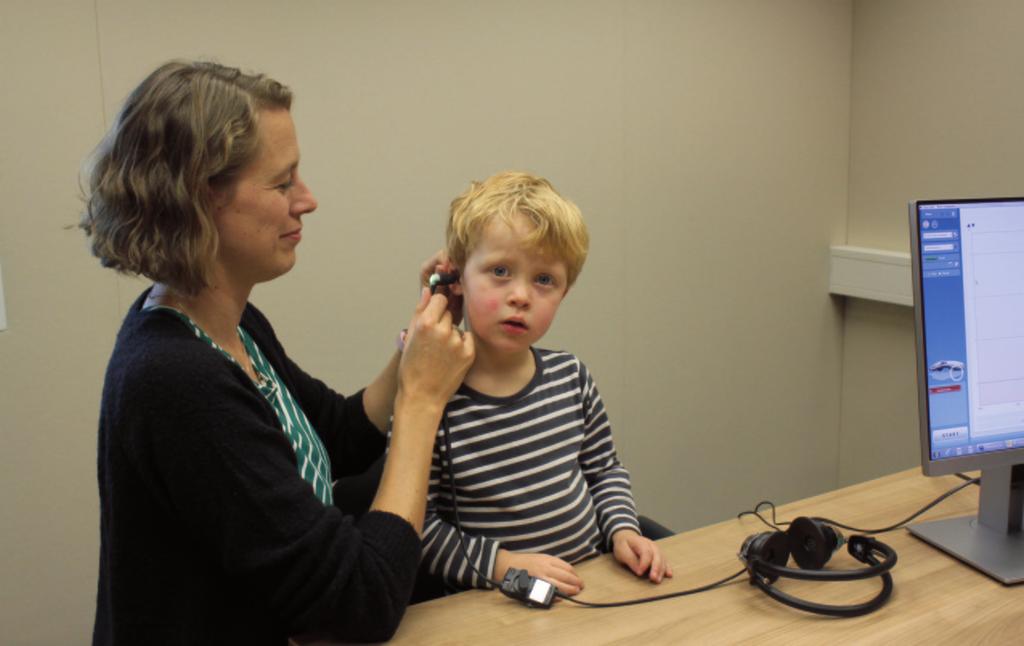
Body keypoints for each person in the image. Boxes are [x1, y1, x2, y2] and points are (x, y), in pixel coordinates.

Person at [80, 60, 473, 645]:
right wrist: (421, 401)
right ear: (199, 198)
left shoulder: (228, 325)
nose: (306, 200)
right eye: (283, 182)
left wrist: (416, 346)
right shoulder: (174, 378)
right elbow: (359, 604)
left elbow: (335, 438)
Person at [420, 171, 672, 597]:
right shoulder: (429, 397)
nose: (521, 295)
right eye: (500, 271)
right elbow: (418, 529)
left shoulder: (572, 378)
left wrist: (623, 530)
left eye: (544, 280)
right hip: (493, 605)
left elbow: (604, 471)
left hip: (592, 587)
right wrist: (502, 565)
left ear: (564, 293)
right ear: (457, 278)